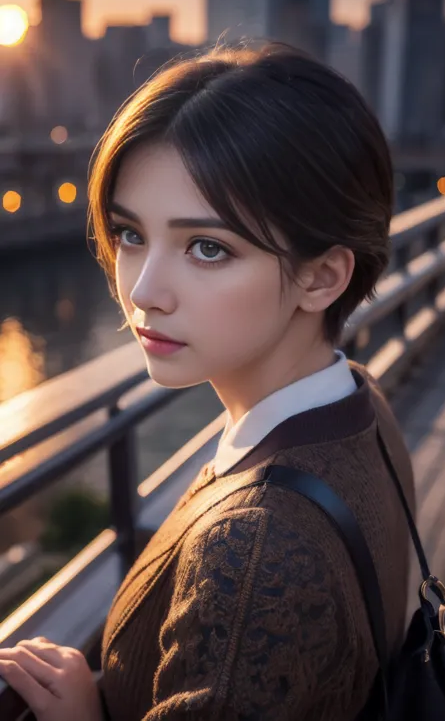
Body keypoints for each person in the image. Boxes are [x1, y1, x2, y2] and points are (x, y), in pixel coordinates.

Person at [0, 43, 415, 721]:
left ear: (322, 276)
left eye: (207, 247)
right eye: (131, 233)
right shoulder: (357, 400)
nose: (143, 292)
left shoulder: (254, 554)